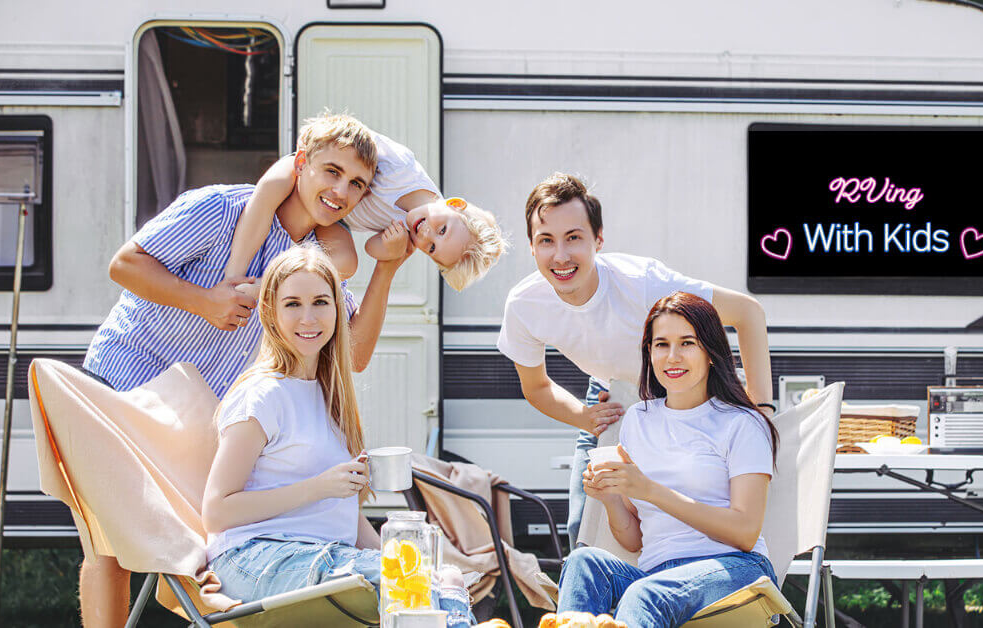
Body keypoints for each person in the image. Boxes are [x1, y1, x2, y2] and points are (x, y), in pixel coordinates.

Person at [79, 112, 410, 628]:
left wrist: (387, 267)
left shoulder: (309, 262)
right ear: (299, 165)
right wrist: (204, 301)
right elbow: (124, 264)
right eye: (331, 171)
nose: (341, 190)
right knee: (110, 546)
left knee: (193, 549)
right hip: (124, 381)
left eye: (357, 184)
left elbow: (354, 353)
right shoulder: (222, 208)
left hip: (197, 415)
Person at [496, 173, 774, 548]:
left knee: (716, 511)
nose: (560, 256)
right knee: (586, 527)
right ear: (531, 247)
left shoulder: (642, 282)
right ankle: (588, 606)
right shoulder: (524, 305)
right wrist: (583, 416)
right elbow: (537, 386)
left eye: (574, 238)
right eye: (546, 240)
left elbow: (748, 313)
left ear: (598, 240)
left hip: (688, 389)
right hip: (615, 395)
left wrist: (762, 410)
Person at [202, 244, 473, 626]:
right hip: (255, 557)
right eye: (293, 304)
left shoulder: (331, 396)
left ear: (337, 310)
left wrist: (392, 556)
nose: (308, 317)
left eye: (321, 302)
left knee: (444, 578)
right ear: (270, 312)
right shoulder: (261, 396)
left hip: (323, 555)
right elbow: (216, 511)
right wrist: (318, 487)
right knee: (411, 592)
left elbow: (341, 515)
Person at [555, 291, 780, 627]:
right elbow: (634, 539)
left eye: (687, 343)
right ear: (649, 353)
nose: (672, 357)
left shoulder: (741, 424)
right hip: (656, 575)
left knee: (645, 593)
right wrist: (612, 499)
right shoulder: (638, 420)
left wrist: (651, 490)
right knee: (583, 563)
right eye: (661, 345)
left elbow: (746, 532)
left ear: (711, 352)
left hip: (735, 571)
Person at [223, 122, 506, 292]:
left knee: (346, 264)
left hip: (336, 217)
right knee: (276, 183)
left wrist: (392, 250)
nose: (427, 236)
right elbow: (351, 138)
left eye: (431, 248)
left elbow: (372, 247)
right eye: (442, 230)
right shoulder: (401, 167)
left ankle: (265, 287)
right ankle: (233, 276)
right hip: (318, 178)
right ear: (455, 205)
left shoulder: (407, 236)